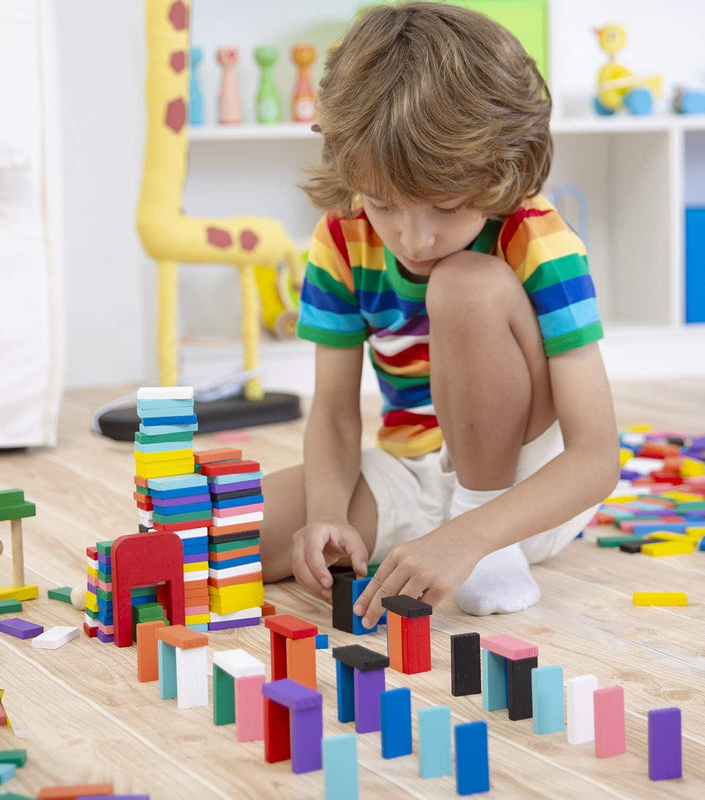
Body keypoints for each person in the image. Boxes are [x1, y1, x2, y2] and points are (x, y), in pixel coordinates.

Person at [258, 1, 619, 627]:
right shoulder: (342, 239)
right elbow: (337, 414)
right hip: (413, 473)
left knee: (461, 285)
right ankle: (445, 531)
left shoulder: (538, 240)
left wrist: (474, 532)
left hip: (524, 493)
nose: (414, 239)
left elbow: (596, 457)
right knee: (214, 538)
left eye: (446, 207)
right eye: (384, 204)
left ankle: (487, 543)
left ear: (499, 167)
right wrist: (327, 515)